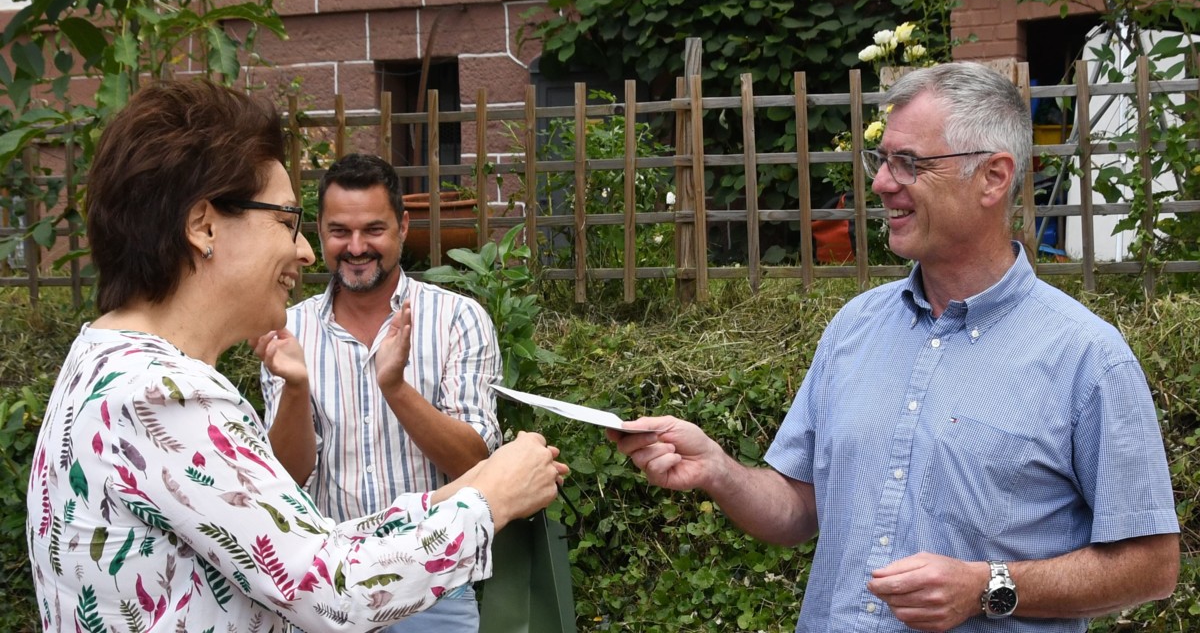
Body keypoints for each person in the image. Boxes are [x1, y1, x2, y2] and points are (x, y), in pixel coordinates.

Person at [609, 62, 1179, 633]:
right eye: (882, 161)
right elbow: (799, 508)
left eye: (909, 163)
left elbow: (1151, 567)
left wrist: (989, 587)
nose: (881, 183)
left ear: (993, 177)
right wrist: (718, 470)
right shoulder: (855, 328)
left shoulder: (1086, 357)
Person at [26, 79, 567, 632]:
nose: (306, 251)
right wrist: (490, 501)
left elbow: (304, 545)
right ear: (204, 225)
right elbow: (332, 589)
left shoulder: (104, 361)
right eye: (288, 221)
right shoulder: (165, 394)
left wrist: (466, 489)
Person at [259, 152, 500, 632]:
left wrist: (395, 388)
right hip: (329, 584)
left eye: (373, 229)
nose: (355, 247)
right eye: (339, 231)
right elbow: (285, 477)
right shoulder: (290, 329)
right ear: (319, 233)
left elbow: (476, 465)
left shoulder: (458, 319)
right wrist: (296, 388)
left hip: (436, 581)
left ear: (403, 226)